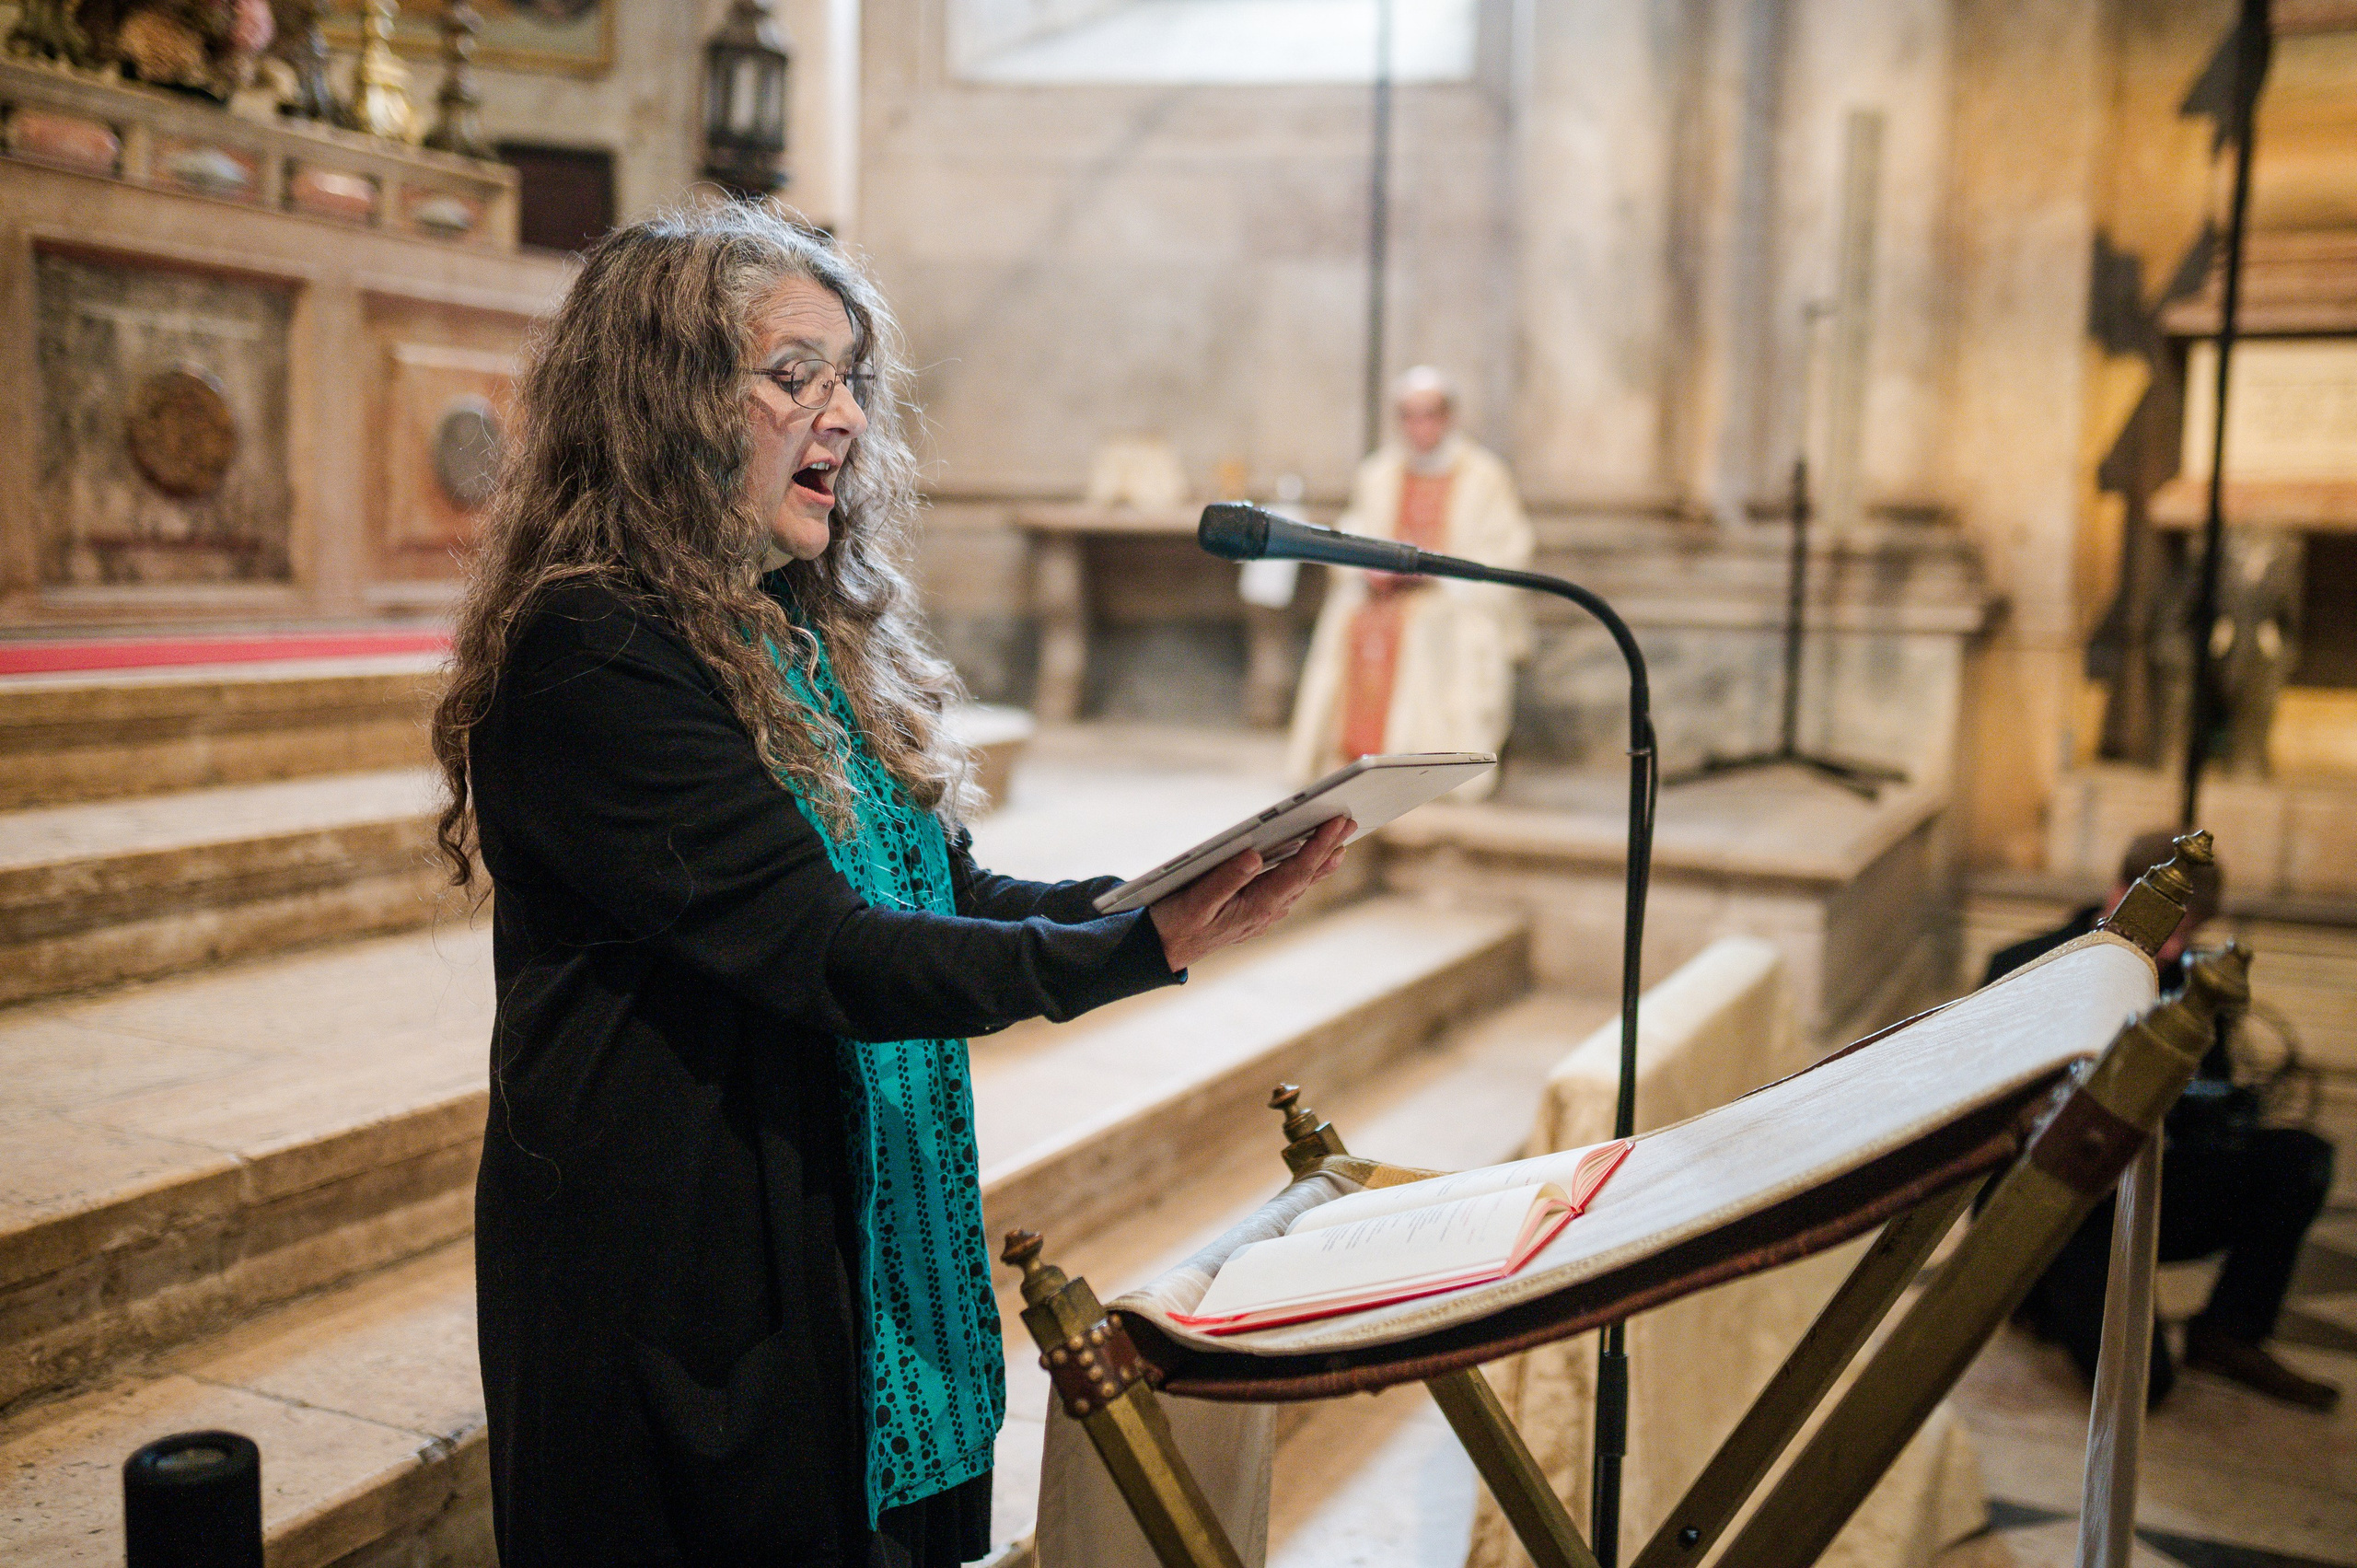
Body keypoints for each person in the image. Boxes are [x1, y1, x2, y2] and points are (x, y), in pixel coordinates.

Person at [427, 203, 1353, 1568]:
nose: (845, 414)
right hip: (687, 1278)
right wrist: (1123, 948)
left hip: (860, 1238)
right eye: (793, 374)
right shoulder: (592, 647)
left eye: (850, 373)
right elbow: (834, 950)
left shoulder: (793, 629)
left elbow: (940, 886)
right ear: (661, 401)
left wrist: (1162, 893)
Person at [1983, 829, 2337, 1411]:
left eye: (2190, 933)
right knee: (2145, 1392)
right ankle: (2040, 1289)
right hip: (2061, 1197)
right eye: (2169, 928)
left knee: (2299, 1160)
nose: (2173, 950)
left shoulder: (2187, 980)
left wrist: (2221, 1109)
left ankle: (2229, 1331)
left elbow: (2207, 1094)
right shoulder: (2024, 965)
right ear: (2122, 891)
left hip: (2153, 1176)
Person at [1284, 366, 1534, 797]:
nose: (1420, 426)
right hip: (1381, 594)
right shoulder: (1379, 472)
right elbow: (1351, 534)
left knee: (1426, 628)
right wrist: (1369, 568)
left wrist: (1437, 575)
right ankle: (1344, 760)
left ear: (1449, 416)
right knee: (1348, 616)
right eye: (1409, 415)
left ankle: (1423, 772)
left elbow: (1507, 550)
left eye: (1430, 413)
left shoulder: (1484, 475)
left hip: (1448, 597)